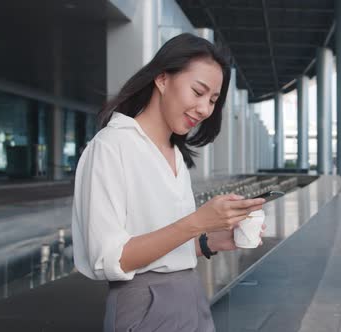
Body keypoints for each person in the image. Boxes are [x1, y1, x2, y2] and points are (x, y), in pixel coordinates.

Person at [71, 33, 266, 331]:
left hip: (190, 296)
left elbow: (165, 243)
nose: (204, 109)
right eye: (198, 92)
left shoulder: (174, 154)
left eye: (213, 100)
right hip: (144, 304)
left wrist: (213, 240)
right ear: (162, 80)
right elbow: (110, 258)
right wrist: (198, 222)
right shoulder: (112, 146)